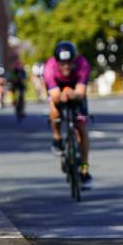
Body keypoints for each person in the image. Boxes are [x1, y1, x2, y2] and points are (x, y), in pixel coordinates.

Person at [43, 41, 92, 189]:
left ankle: (84, 168)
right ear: (56, 62)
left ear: (75, 60)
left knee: (81, 128)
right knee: (55, 111)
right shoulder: (49, 68)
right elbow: (55, 96)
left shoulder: (83, 64)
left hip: (76, 91)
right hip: (57, 90)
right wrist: (62, 95)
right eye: (62, 63)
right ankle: (57, 137)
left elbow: (81, 93)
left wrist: (72, 94)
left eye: (69, 63)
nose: (66, 66)